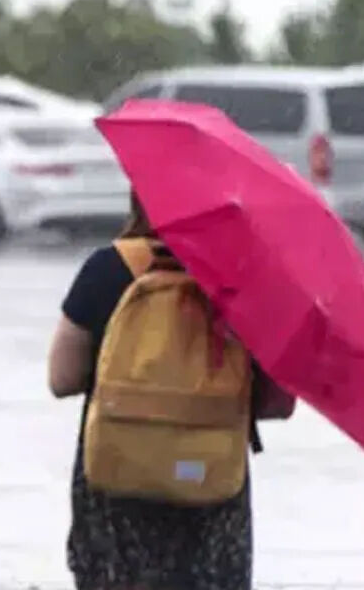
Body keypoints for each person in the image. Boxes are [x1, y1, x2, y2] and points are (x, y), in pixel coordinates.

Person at [47, 193, 295, 590]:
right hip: (212, 486)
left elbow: (62, 378)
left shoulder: (108, 268)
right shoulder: (243, 277)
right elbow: (278, 403)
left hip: (115, 482)